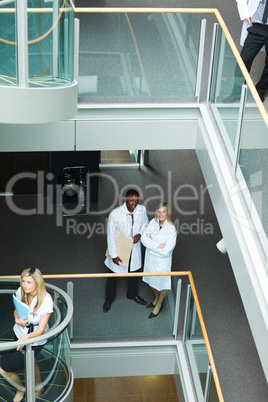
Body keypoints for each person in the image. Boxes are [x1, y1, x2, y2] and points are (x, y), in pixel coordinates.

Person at [0, 268, 53, 402]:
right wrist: (17, 319)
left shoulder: (46, 300)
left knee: (2, 369)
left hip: (35, 341)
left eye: (29, 282)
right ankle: (38, 387)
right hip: (18, 333)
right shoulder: (21, 292)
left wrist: (25, 338)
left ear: (37, 283)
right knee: (32, 362)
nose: (25, 285)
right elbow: (16, 310)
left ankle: (20, 389)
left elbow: (41, 330)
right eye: (23, 281)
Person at [103, 189, 149, 313]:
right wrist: (114, 255)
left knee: (134, 274)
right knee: (113, 276)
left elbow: (145, 224)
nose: (134, 203)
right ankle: (109, 299)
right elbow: (111, 235)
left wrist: (139, 234)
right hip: (120, 249)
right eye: (131, 200)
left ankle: (132, 294)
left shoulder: (142, 210)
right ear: (125, 199)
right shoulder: (115, 214)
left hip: (134, 249)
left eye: (136, 201)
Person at [226, 0, 268, 102]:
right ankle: (236, 93)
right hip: (256, 26)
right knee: (244, 61)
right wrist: (245, 13)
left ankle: (260, 91)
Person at [141, 202, 177, 319]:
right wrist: (158, 245)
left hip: (162, 262)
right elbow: (143, 239)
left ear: (168, 213)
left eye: (164, 212)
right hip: (150, 260)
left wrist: (151, 244)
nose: (161, 214)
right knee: (151, 281)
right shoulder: (153, 222)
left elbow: (167, 251)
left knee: (162, 283)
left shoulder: (171, 229)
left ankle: (159, 304)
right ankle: (157, 297)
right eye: (159, 211)